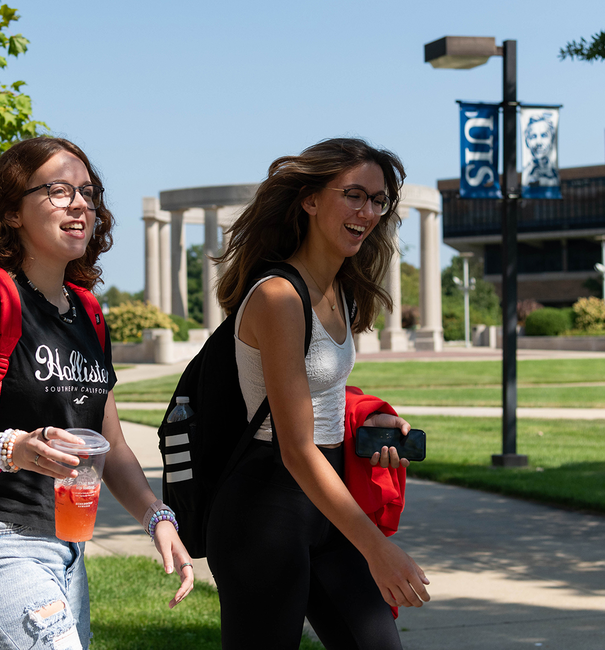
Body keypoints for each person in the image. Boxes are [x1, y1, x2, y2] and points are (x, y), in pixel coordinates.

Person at [0, 136, 194, 650]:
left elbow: (110, 446)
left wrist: (156, 517)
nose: (79, 204)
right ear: (10, 213)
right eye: (57, 190)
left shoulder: (89, 314)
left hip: (66, 549)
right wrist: (10, 448)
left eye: (88, 193)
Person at [206, 137, 430, 649]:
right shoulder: (278, 296)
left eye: (378, 200)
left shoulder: (342, 290)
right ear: (309, 199)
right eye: (353, 194)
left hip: (326, 501)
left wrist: (366, 419)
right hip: (264, 509)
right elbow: (295, 447)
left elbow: (321, 391)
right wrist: (377, 549)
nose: (367, 211)